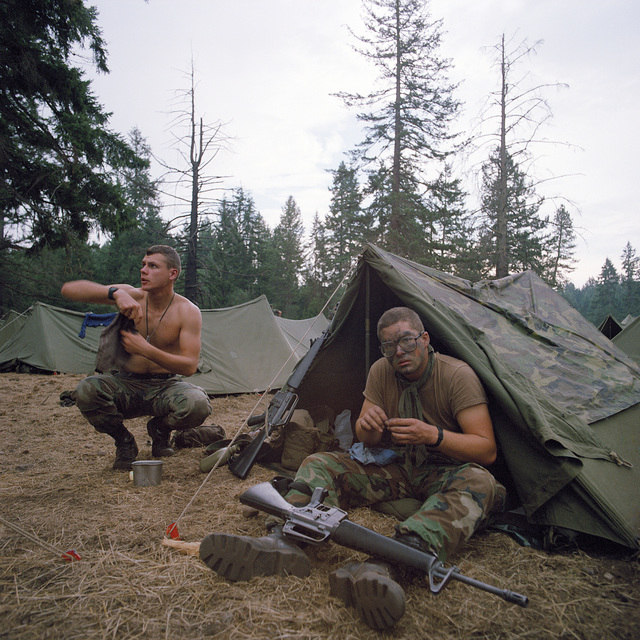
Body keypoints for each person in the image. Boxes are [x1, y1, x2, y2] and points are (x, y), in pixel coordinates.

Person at [199, 306, 505, 630]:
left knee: (479, 482)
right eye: (389, 346)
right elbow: (365, 435)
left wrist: (434, 435)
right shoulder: (380, 371)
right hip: (396, 467)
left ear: (425, 339)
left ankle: (389, 564)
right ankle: (285, 542)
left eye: (406, 341)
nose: (398, 352)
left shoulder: (456, 375)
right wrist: (368, 427)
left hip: (444, 471)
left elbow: (485, 449)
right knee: (320, 463)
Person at [61, 245, 212, 471]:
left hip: (165, 386)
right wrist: (116, 293)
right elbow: (69, 290)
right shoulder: (130, 295)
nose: (143, 270)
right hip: (125, 383)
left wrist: (146, 349)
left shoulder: (187, 311)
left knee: (197, 404)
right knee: (86, 390)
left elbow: (189, 366)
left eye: (152, 266)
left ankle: (160, 430)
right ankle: (124, 442)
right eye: (143, 265)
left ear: (173, 274)